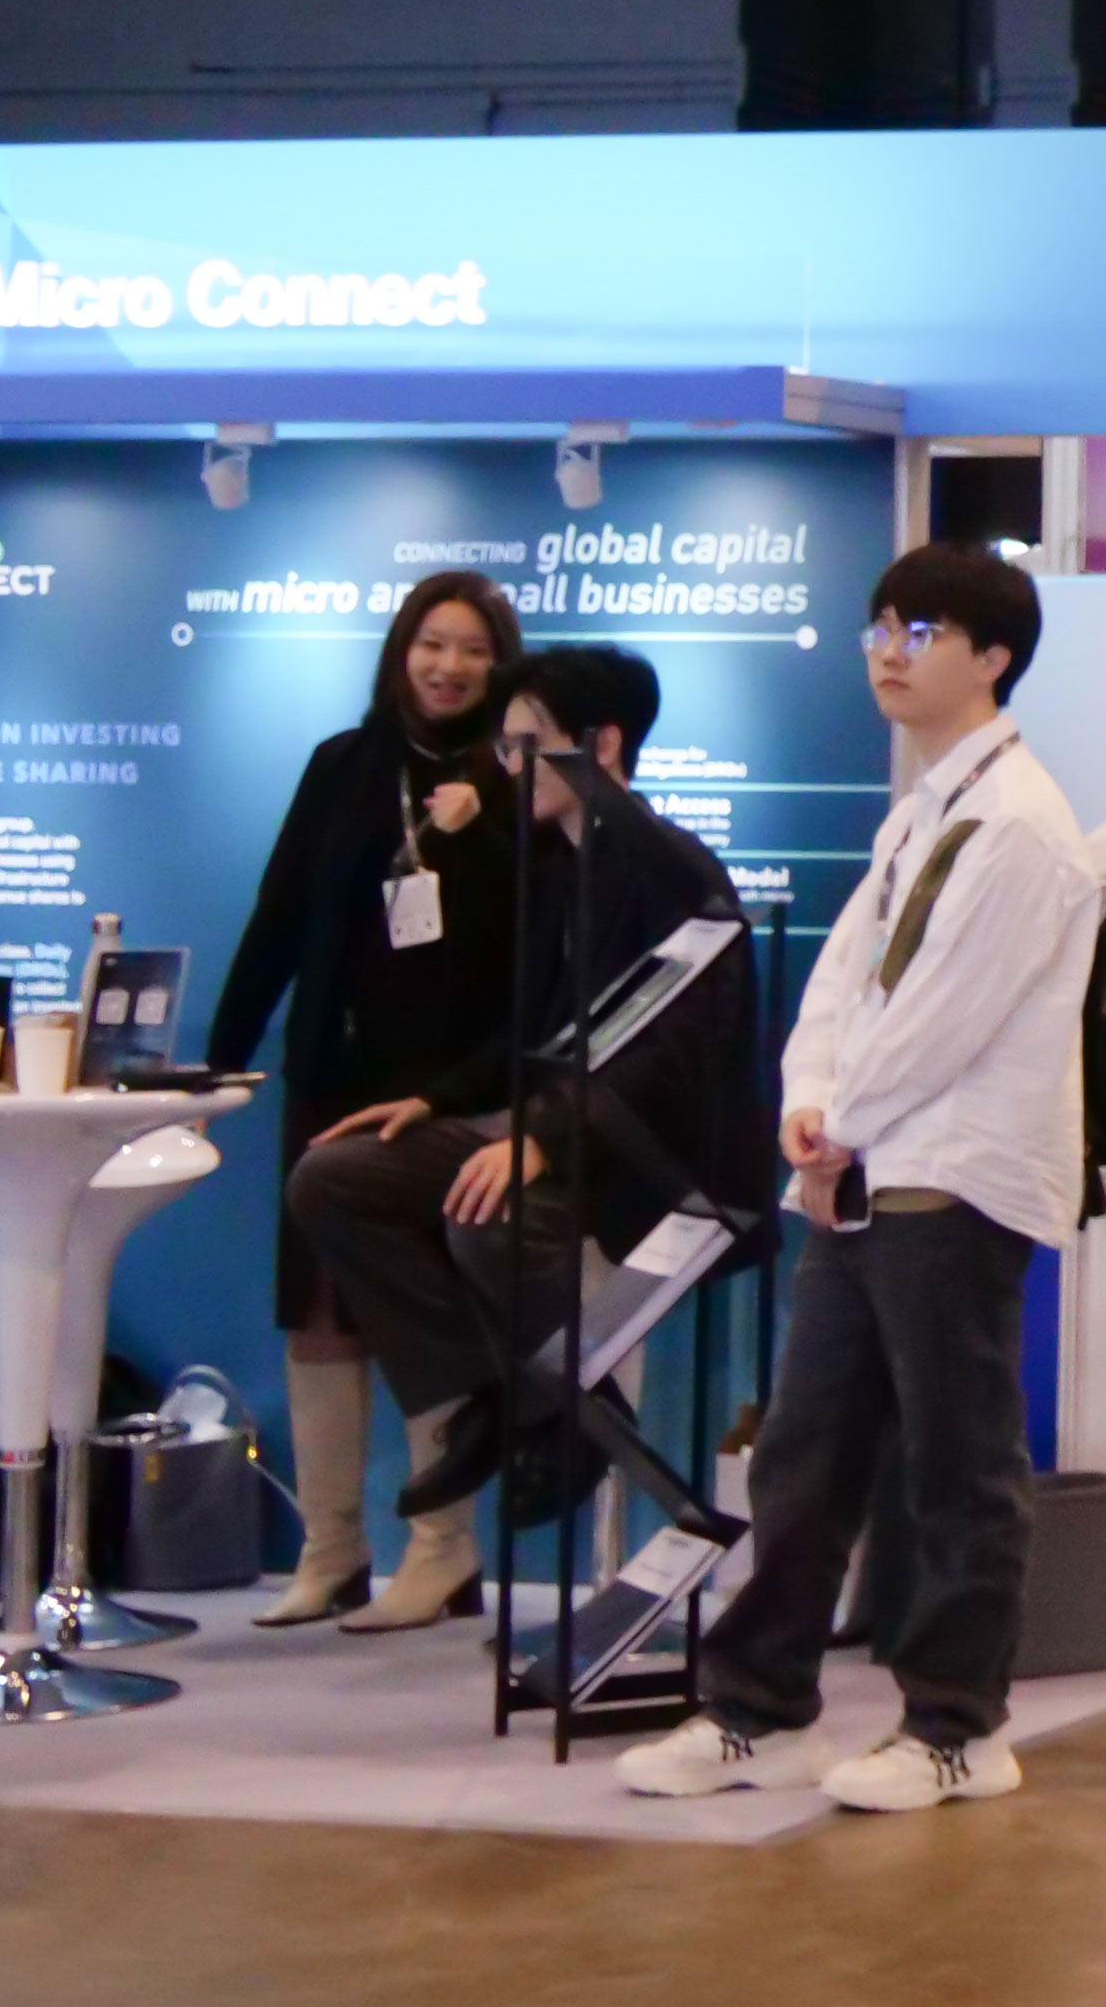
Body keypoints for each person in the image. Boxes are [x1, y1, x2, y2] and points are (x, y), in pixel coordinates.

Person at [619, 543, 1099, 1817]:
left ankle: (955, 1728)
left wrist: (840, 1124)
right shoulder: (923, 806)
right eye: (880, 625)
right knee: (804, 1453)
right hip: (864, 1172)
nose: (889, 651)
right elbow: (843, 982)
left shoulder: (1021, 823)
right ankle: (758, 1707)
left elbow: (947, 1013)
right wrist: (810, 1106)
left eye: (921, 631)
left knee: (956, 1465)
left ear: (992, 657)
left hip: (952, 1179)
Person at [285, 645, 766, 1529]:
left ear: (602, 744)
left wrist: (542, 1137)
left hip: (653, 1161)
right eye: (504, 748)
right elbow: (528, 1030)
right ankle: (505, 1398)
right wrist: (435, 1101)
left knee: (489, 1217)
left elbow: (680, 1047)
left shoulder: (672, 868)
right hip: (569, 1133)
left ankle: (565, 1413)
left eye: (525, 745)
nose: (510, 766)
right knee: (333, 1178)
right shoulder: (554, 868)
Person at [204, 568, 523, 1630]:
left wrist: (483, 822)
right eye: (433, 643)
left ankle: (442, 1551)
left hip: (440, 1094)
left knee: (423, 1306)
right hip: (330, 1078)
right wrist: (220, 1059)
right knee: (319, 1313)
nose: (449, 666)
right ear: (400, 651)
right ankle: (332, 1551)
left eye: (473, 648)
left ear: (499, 665)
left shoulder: (515, 779)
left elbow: (543, 944)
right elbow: (279, 915)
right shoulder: (342, 764)